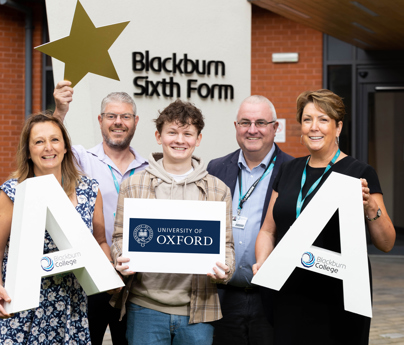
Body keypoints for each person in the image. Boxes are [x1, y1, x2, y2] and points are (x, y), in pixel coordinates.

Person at [253, 89, 396, 345]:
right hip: (289, 294)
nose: (313, 127)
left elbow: (386, 244)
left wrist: (370, 206)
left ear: (338, 127)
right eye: (307, 119)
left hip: (339, 300)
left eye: (323, 119)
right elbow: (267, 231)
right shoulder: (288, 169)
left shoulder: (359, 172)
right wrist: (262, 262)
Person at [111, 99, 235, 345]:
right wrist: (119, 257)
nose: (180, 140)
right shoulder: (133, 185)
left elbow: (227, 245)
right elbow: (119, 238)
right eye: (172, 132)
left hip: (198, 311)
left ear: (198, 139)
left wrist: (226, 269)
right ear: (159, 136)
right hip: (144, 308)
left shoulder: (218, 190)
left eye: (188, 133)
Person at [0, 112, 110, 344]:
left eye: (55, 140)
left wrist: (107, 272)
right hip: (22, 306)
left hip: (71, 304)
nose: (48, 148)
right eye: (39, 142)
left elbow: (100, 241)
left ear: (66, 147)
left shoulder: (89, 190)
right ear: (28, 152)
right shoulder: (11, 192)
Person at [54, 81, 148, 345]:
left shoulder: (149, 170)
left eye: (125, 116)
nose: (118, 122)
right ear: (100, 120)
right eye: (111, 116)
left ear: (135, 121)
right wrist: (60, 111)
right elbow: (50, 145)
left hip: (135, 282)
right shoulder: (81, 160)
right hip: (90, 279)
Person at [207, 95, 293, 345]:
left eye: (261, 122)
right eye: (245, 122)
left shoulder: (293, 170)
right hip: (224, 295)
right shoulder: (216, 168)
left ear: (275, 128)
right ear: (236, 127)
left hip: (272, 297)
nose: (252, 130)